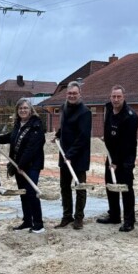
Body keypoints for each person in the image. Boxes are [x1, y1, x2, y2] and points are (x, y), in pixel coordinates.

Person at [0, 98, 46, 233]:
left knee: (32, 193)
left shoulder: (36, 125)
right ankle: (27, 221)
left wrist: (21, 164)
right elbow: (11, 137)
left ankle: (38, 223)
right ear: (17, 111)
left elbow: (32, 147)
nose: (23, 110)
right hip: (18, 165)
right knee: (24, 194)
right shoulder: (18, 124)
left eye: (25, 108)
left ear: (31, 110)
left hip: (31, 165)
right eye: (20, 108)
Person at [97, 85, 138, 232]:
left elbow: (126, 143)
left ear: (124, 97)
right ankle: (114, 215)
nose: (115, 99)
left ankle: (129, 220)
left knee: (125, 188)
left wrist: (116, 162)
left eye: (118, 97)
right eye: (113, 96)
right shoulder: (109, 109)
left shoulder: (130, 116)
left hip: (125, 158)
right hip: (111, 155)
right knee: (110, 186)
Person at [54, 81, 92, 230]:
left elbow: (83, 137)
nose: (72, 96)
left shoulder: (85, 112)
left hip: (78, 157)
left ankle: (79, 218)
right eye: (69, 93)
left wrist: (70, 154)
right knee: (64, 187)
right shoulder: (64, 107)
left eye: (74, 93)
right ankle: (67, 216)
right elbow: (65, 126)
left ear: (79, 94)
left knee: (80, 187)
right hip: (65, 156)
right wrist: (58, 135)